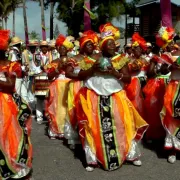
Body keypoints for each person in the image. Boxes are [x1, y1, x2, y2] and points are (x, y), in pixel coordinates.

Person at [75, 23, 148, 171]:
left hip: (115, 97)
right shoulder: (92, 59)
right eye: (109, 44)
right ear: (102, 46)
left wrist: (114, 72)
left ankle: (130, 154)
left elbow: (127, 79)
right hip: (94, 97)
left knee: (122, 125)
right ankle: (93, 158)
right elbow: (80, 76)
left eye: (114, 43)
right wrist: (93, 69)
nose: (113, 46)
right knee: (93, 127)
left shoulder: (120, 59)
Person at [0, 30, 32, 179]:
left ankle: (13, 165)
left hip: (6, 103)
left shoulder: (12, 65)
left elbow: (10, 85)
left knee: (10, 134)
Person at [64, 30, 100, 149]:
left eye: (92, 44)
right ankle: (75, 138)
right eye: (89, 45)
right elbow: (68, 73)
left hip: (92, 87)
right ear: (83, 46)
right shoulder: (75, 58)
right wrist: (81, 76)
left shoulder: (96, 57)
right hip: (76, 86)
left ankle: (90, 136)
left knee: (90, 111)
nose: (92, 47)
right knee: (75, 111)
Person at [157, 27, 180, 164]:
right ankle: (173, 150)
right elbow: (162, 69)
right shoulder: (169, 55)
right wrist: (172, 67)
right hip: (174, 87)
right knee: (172, 116)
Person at [45, 34, 74, 139]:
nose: (62, 50)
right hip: (57, 87)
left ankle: (69, 131)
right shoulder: (54, 62)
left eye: (64, 48)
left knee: (68, 107)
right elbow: (49, 76)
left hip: (69, 85)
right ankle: (57, 129)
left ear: (68, 49)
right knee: (57, 108)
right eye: (60, 48)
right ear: (57, 49)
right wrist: (58, 68)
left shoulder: (72, 61)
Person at [125, 33, 149, 118]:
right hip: (132, 85)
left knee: (144, 105)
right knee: (134, 105)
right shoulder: (127, 60)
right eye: (134, 49)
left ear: (142, 50)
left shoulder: (147, 60)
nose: (135, 50)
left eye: (137, 49)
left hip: (144, 84)